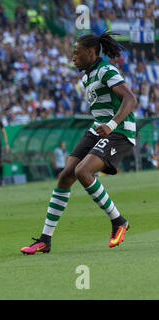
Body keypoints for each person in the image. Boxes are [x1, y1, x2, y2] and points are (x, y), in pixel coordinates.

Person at [21, 32, 137, 254]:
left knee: (83, 171)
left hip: (119, 131)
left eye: (76, 53)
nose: (72, 57)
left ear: (91, 52)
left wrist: (112, 125)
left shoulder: (106, 71)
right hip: (98, 128)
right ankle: (45, 239)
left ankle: (118, 221)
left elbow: (130, 99)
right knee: (66, 175)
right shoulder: (87, 77)